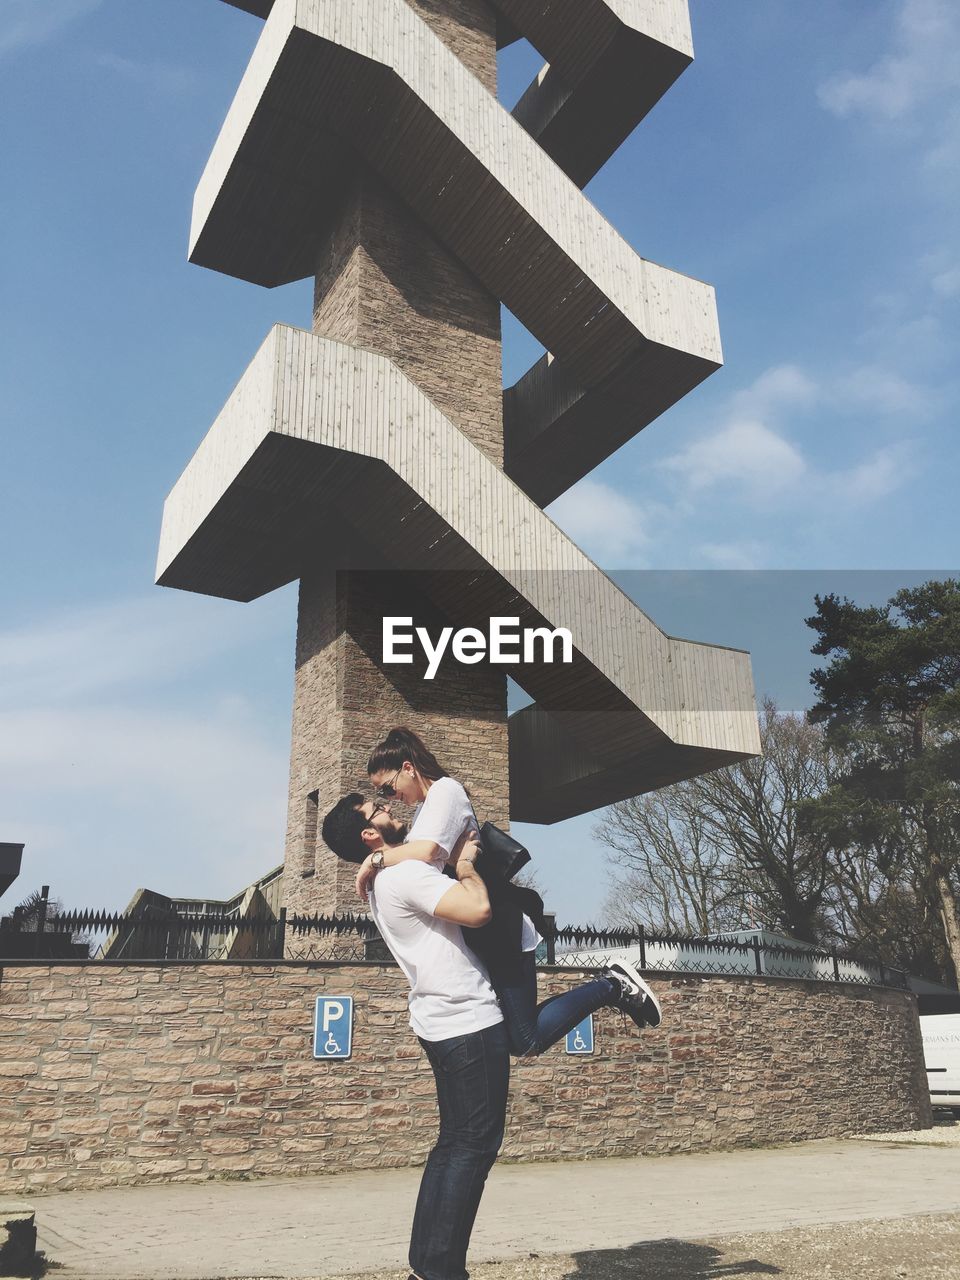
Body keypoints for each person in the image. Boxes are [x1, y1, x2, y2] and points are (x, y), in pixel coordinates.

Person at [359, 727, 662, 1055]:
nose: (391, 798)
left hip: (502, 927)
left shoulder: (446, 791)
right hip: (483, 932)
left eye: (388, 788)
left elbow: (430, 851)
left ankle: (612, 986)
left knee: (525, 1040)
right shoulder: (423, 810)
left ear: (408, 768)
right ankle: (612, 986)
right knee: (513, 1036)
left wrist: (375, 859)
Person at [321, 793, 507, 1280]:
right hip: (467, 1018)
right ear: (369, 833)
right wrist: (467, 863)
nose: (388, 807)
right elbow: (479, 909)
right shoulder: (405, 874)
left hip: (438, 1023)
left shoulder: (384, 878)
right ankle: (442, 1271)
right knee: (473, 1149)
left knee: (453, 1146)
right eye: (376, 808)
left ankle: (427, 1267)